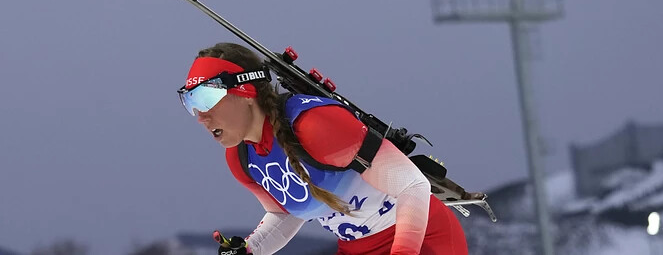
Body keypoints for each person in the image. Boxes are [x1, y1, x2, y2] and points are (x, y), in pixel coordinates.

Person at [177, 42, 469, 255]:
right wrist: (251, 248)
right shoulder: (242, 159)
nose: (200, 116)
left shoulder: (315, 125)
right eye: (190, 102)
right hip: (356, 248)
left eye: (205, 98)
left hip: (424, 238)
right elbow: (287, 213)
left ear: (246, 92)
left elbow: (413, 185)